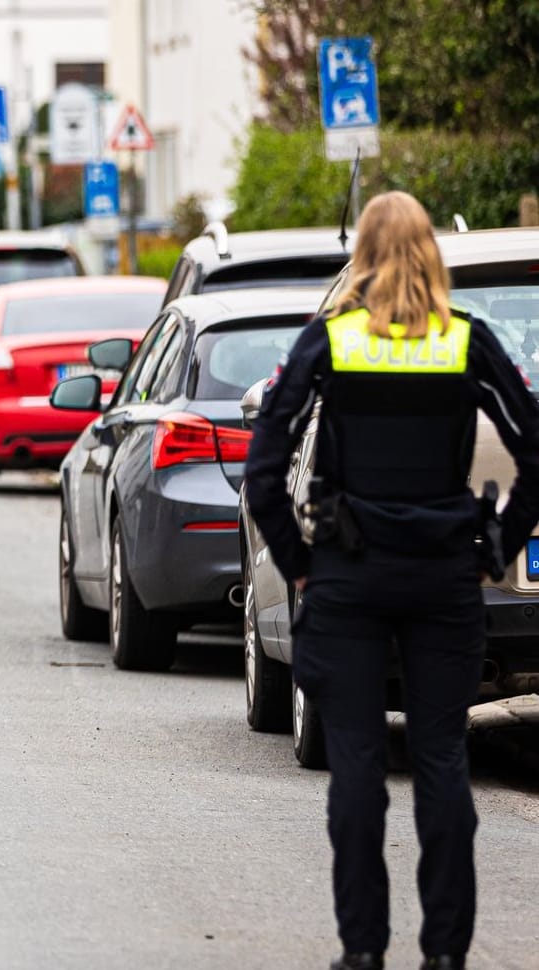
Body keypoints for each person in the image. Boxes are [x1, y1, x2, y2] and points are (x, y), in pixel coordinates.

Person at [245, 191, 539, 970]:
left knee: (357, 765)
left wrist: (299, 560)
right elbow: (534, 452)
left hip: (349, 575)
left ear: (363, 257)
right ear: (431, 254)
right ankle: (444, 955)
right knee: (442, 758)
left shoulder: (331, 341)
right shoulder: (465, 340)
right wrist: (496, 545)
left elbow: (263, 465)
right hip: (444, 578)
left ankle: (362, 953)